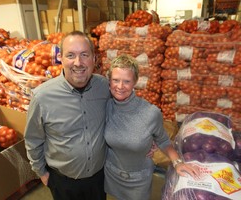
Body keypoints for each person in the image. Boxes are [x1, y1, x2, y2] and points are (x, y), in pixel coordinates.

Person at [24, 31, 110, 200]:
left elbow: (125, 109)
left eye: (84, 55)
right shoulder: (42, 96)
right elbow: (33, 139)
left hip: (98, 179)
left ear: (94, 59)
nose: (78, 62)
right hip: (63, 183)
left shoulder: (104, 87)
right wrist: (41, 172)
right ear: (61, 59)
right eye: (70, 55)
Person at [104, 54, 199, 200]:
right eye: (115, 80)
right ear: (109, 81)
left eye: (127, 81)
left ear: (135, 81)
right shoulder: (106, 106)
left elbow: (163, 140)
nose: (120, 86)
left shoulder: (150, 113)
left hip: (138, 181)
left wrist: (178, 163)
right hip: (111, 176)